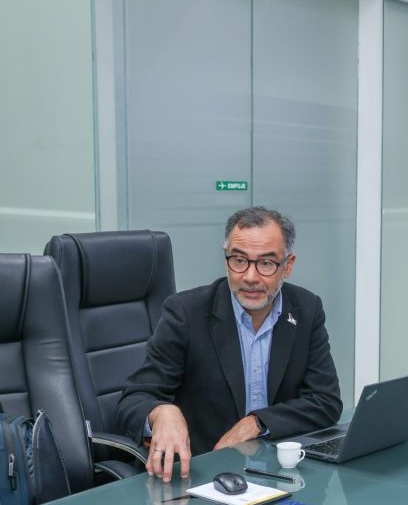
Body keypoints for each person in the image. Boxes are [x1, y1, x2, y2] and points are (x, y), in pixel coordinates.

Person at [117, 206, 342, 481]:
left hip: (280, 475)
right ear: (226, 261)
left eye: (266, 263)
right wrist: (161, 412)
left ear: (288, 265)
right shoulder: (186, 313)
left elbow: (325, 401)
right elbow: (133, 400)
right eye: (239, 260)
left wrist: (258, 422)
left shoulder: (306, 309)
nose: (250, 277)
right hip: (204, 477)